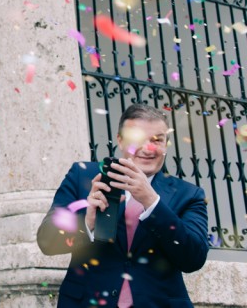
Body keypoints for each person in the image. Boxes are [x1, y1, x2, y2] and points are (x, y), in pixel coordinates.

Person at [37, 103, 209, 307]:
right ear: (120, 140)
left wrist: (152, 202)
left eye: (157, 140)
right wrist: (87, 221)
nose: (148, 149)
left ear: (166, 144)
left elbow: (193, 259)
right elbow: (47, 242)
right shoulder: (82, 175)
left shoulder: (189, 194)